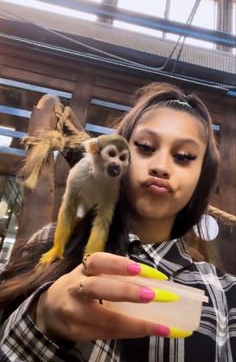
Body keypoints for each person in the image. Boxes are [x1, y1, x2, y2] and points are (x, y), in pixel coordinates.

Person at [0, 82, 235, 362]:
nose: (161, 166)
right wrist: (44, 317)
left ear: (202, 177)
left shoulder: (224, 294)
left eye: (184, 157)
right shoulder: (50, 244)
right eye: (146, 147)